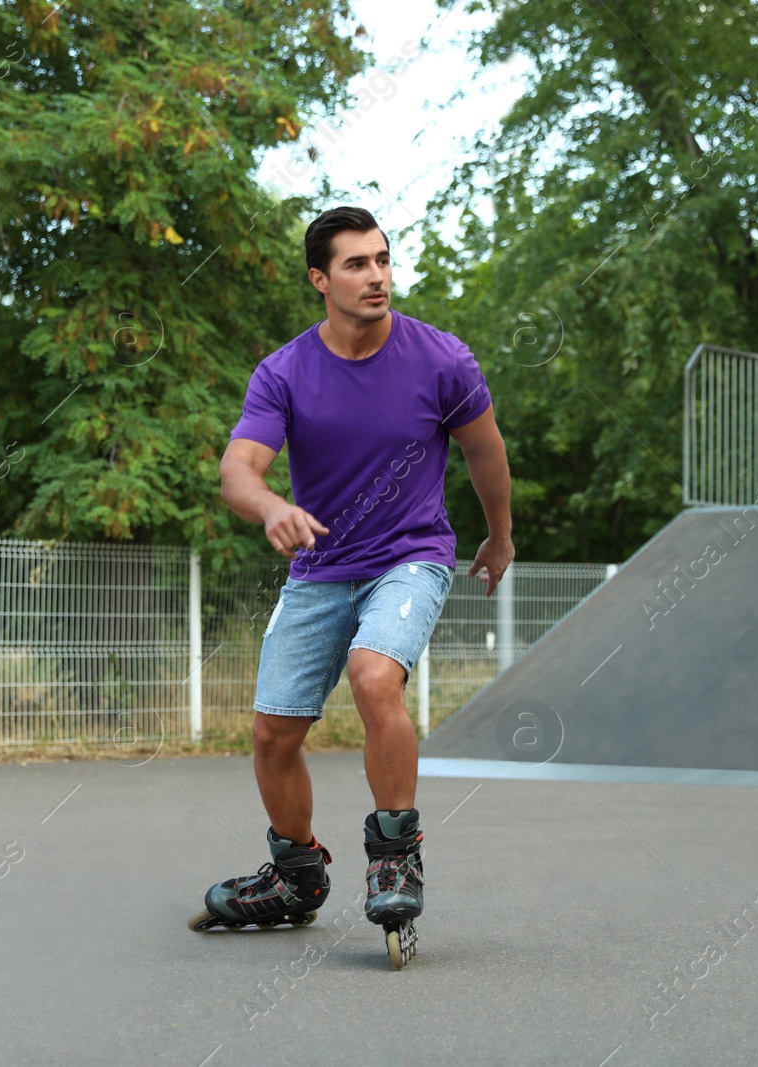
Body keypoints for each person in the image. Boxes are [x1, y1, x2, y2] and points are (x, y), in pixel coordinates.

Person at [197, 205, 514, 934]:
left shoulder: (442, 360)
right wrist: (271, 506)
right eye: (356, 264)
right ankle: (296, 875)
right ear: (320, 278)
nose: (376, 276)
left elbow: (484, 451)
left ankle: (396, 853)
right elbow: (238, 469)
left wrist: (499, 536)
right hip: (320, 568)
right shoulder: (285, 371)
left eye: (382, 259)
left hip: (410, 556)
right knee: (273, 733)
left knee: (376, 677)